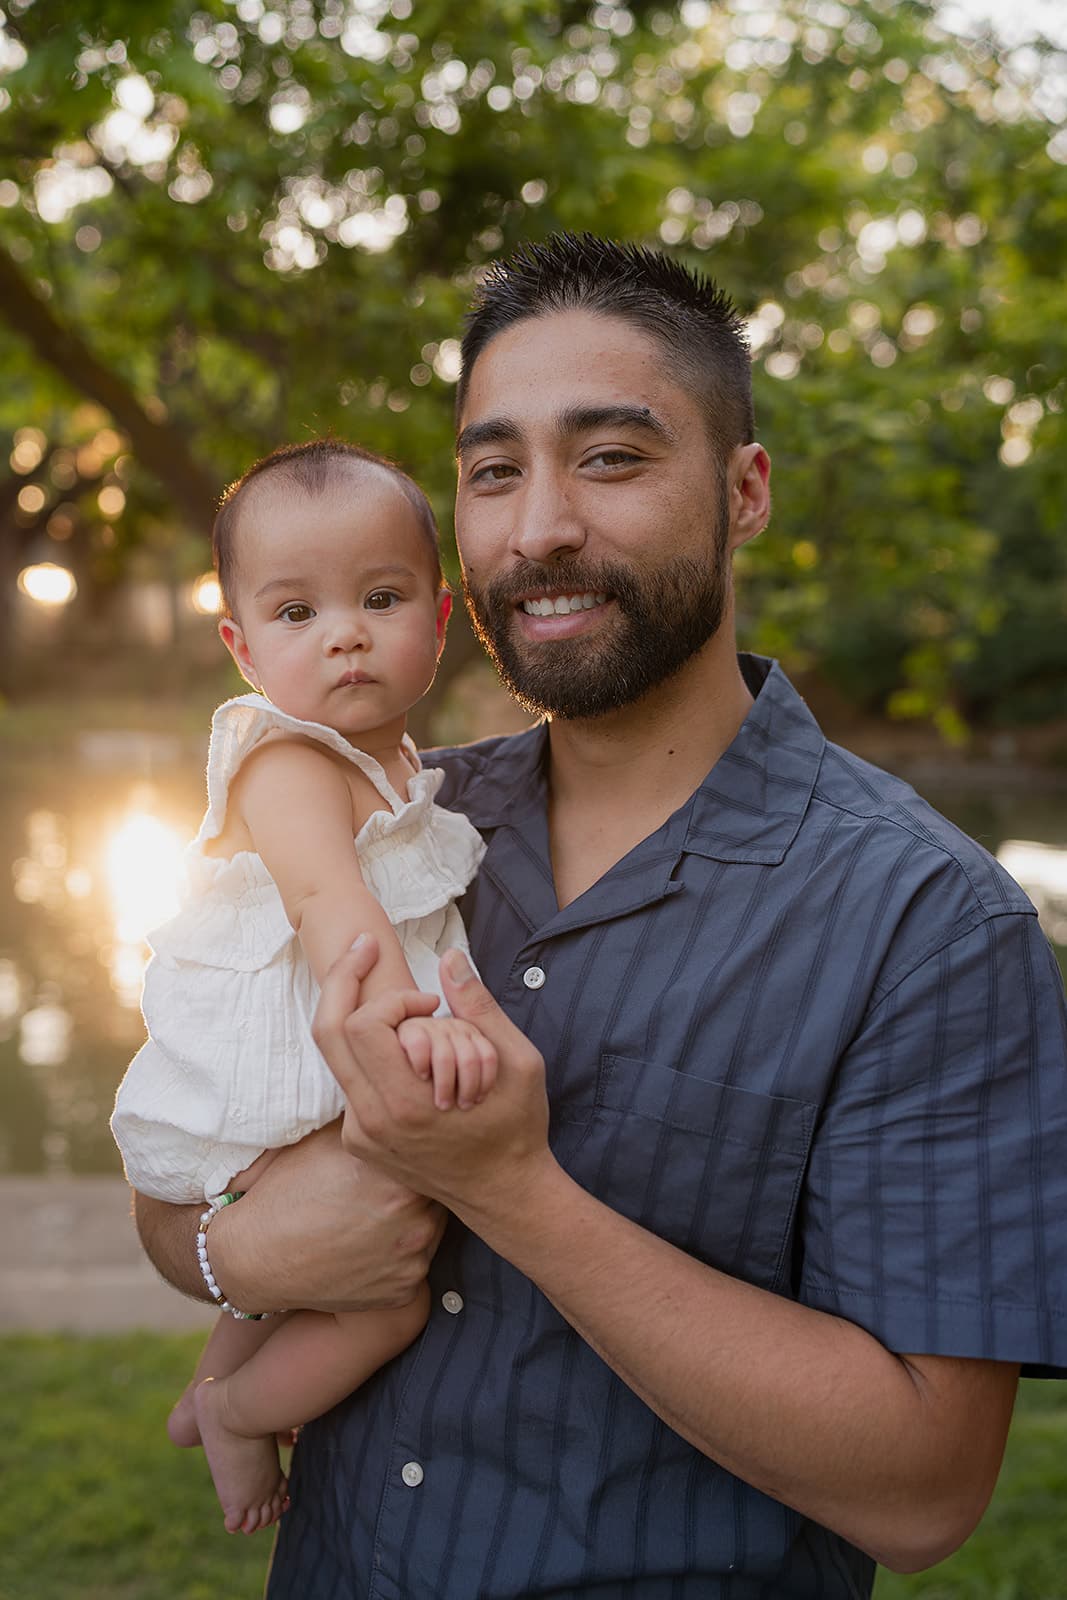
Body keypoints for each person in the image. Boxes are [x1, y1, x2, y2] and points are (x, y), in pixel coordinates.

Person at [134, 234, 1067, 1598]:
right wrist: (235, 1244)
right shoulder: (391, 826)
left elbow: (921, 1492)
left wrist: (507, 1190)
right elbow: (174, 1173)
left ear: (741, 492)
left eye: (611, 458)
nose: (539, 527)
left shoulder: (925, 922)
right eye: (494, 471)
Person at [111, 439, 495, 1537]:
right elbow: (348, 937)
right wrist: (439, 1038)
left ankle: (214, 1383)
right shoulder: (284, 762)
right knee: (387, 1299)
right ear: (239, 646)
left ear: (441, 611)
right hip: (269, 1087)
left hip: (305, 1094)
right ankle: (237, 1411)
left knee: (302, 1269)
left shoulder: (401, 770)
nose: (344, 632)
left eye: (380, 597)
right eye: (295, 613)